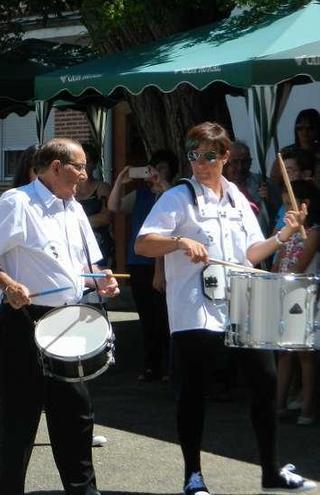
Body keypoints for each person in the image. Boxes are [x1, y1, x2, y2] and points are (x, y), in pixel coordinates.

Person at [134, 121, 317, 494]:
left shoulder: (236, 196)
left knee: (264, 385)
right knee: (193, 391)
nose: (201, 164)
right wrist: (179, 241)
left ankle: (270, 471)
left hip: (243, 301)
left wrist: (282, 235)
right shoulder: (177, 197)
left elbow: (251, 253)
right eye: (194, 156)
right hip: (194, 308)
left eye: (210, 157)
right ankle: (193, 475)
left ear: (225, 156)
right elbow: (143, 244)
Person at [0, 138, 119, 495]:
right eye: (79, 167)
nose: (85, 175)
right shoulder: (18, 202)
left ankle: (83, 491)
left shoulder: (75, 208)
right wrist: (7, 284)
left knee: (77, 416)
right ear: (56, 167)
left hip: (69, 320)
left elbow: (88, 265)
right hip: (26, 321)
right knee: (19, 420)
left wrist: (103, 279)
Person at [107, 150, 176, 382]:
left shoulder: (173, 193)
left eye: (163, 168)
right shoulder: (141, 194)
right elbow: (114, 206)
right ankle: (151, 365)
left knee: (165, 316)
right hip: (138, 262)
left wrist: (162, 182)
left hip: (166, 262)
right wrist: (120, 181)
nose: (156, 173)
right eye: (152, 168)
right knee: (147, 317)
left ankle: (169, 366)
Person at [272, 180, 318, 426]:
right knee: (285, 352)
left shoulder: (314, 232)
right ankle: (278, 404)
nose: (286, 209)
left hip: (304, 294)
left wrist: (283, 281)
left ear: (305, 205)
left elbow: (300, 267)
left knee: (304, 354)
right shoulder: (288, 231)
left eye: (290, 204)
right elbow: (279, 260)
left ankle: (308, 409)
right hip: (285, 293)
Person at [76, 142, 112, 267]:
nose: (81, 167)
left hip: (98, 244)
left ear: (94, 164)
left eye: (86, 162)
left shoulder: (102, 188)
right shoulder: (67, 190)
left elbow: (105, 218)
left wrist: (74, 223)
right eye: (77, 163)